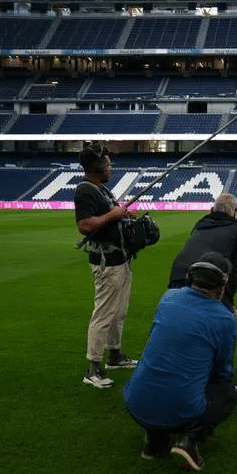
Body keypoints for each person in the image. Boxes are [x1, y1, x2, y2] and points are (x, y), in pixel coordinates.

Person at [122, 252, 237, 471]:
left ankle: (153, 440)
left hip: (135, 405)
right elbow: (222, 370)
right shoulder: (223, 318)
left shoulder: (168, 297)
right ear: (223, 284)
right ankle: (189, 439)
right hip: (180, 411)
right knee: (226, 391)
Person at [74, 143, 138, 389]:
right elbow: (85, 226)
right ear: (97, 167)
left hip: (122, 259)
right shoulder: (85, 190)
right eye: (108, 163)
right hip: (107, 262)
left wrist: (123, 215)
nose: (110, 167)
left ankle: (115, 356)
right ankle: (93, 367)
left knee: (119, 312)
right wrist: (113, 215)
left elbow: (110, 217)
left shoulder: (102, 190)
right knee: (103, 314)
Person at [168, 193, 237, 311]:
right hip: (207, 276)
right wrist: (228, 301)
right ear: (235, 211)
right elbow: (236, 269)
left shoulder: (201, 223)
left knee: (177, 313)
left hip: (179, 273)